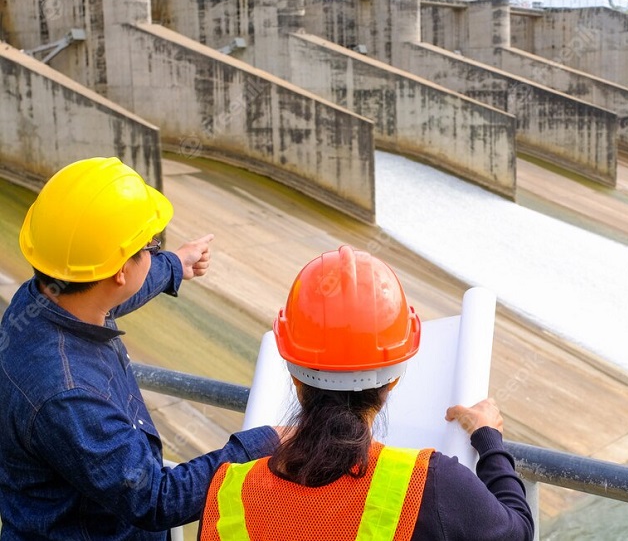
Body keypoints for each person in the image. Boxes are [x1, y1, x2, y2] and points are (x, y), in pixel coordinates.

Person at [0, 157, 281, 540]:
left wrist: (176, 264)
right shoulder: (70, 397)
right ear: (118, 270)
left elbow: (111, 294)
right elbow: (155, 498)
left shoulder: (41, 299)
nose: (154, 253)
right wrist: (266, 443)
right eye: (150, 245)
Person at [199, 245, 534, 541]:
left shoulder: (228, 491)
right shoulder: (430, 484)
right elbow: (517, 531)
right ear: (392, 382)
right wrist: (489, 440)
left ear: (295, 378)